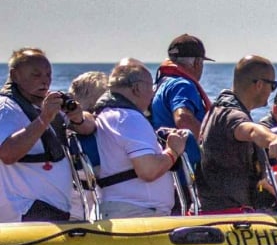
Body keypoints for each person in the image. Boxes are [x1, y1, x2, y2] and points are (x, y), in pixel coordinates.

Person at [0, 47, 96, 222]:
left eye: (48, 75)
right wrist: (44, 119)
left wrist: (79, 118)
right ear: (15, 76)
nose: (45, 81)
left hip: (52, 209)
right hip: (25, 210)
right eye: (36, 75)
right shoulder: (6, 108)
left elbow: (88, 127)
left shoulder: (45, 107)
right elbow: (7, 153)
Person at [90, 59, 190, 219]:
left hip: (121, 208)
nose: (153, 93)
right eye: (151, 87)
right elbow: (148, 170)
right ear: (137, 88)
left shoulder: (107, 114)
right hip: (139, 212)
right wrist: (173, 151)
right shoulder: (129, 118)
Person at [195, 55, 277, 214]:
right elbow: (250, 130)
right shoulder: (231, 115)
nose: (272, 92)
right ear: (259, 85)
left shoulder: (219, 108)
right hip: (226, 214)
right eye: (273, 86)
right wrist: (274, 139)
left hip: (219, 209)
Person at [151, 33, 214, 170]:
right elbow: (183, 118)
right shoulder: (182, 85)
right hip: (187, 171)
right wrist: (214, 150)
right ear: (197, 63)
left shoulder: (161, 84)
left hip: (168, 167)